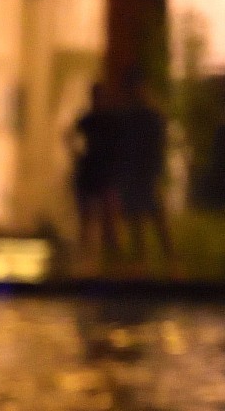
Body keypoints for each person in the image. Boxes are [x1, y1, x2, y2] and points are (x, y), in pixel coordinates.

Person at [114, 73, 172, 271]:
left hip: (145, 172)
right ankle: (142, 259)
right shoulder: (131, 115)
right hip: (135, 172)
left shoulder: (149, 115)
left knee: (155, 214)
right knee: (137, 216)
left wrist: (156, 169)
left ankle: (169, 258)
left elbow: (158, 142)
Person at [70, 82, 119, 268]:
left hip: (102, 173)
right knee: (88, 219)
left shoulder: (105, 119)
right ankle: (89, 259)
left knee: (106, 220)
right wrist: (77, 155)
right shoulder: (90, 119)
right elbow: (70, 136)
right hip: (93, 172)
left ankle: (108, 260)